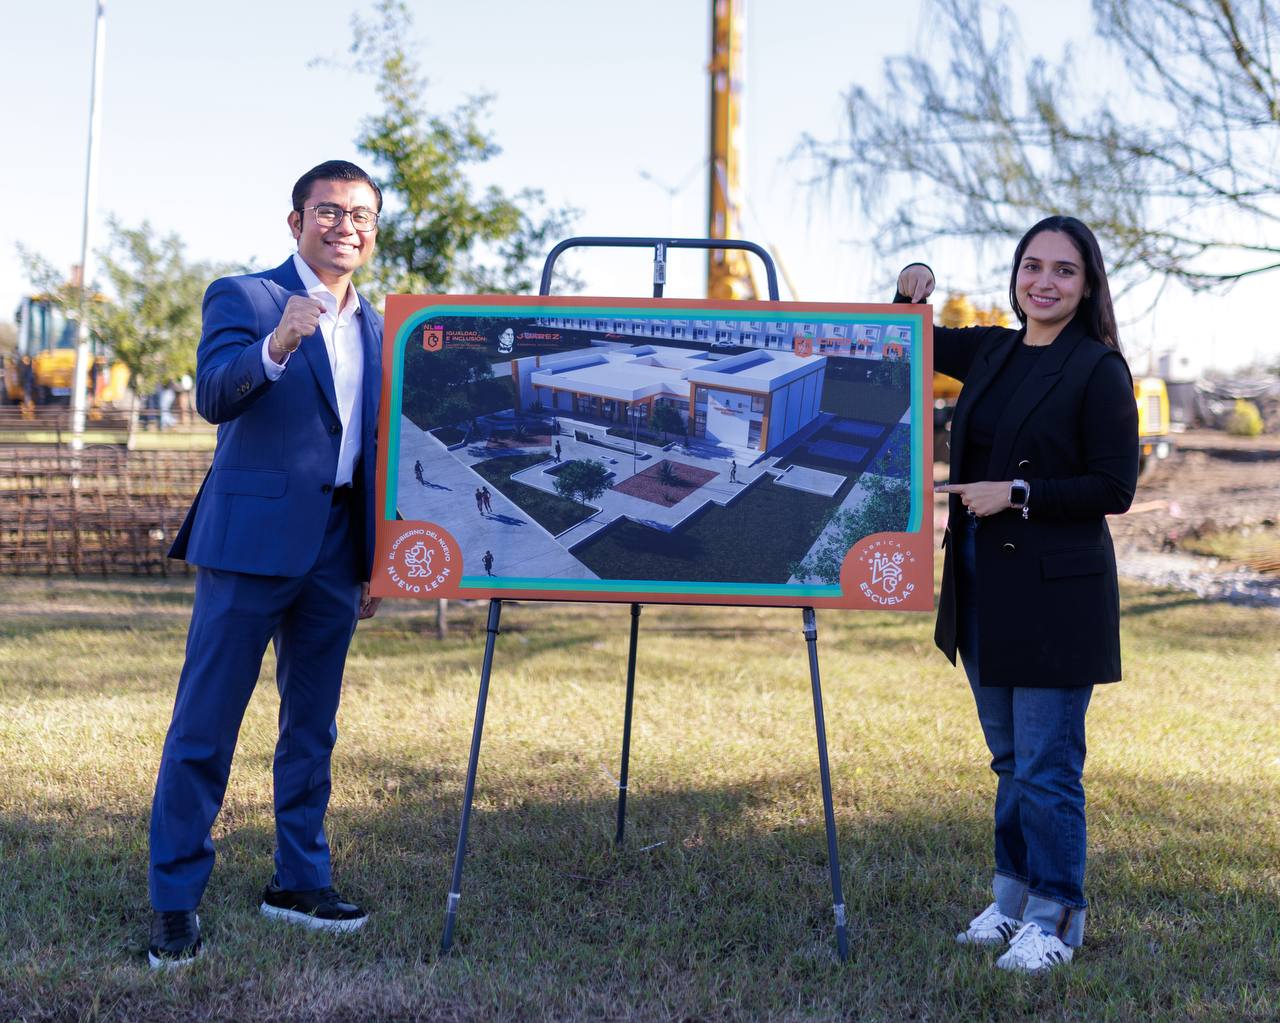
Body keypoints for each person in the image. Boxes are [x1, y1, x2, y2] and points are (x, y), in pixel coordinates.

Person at [147, 160, 386, 969]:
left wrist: (373, 558)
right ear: (296, 222)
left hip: (336, 548)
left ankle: (299, 880)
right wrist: (277, 344)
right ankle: (174, 899)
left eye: (360, 214)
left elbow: (373, 445)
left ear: (373, 231)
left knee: (312, 727)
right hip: (248, 546)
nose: (345, 226)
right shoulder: (244, 297)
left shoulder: (381, 327)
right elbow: (214, 395)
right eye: (329, 211)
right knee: (204, 726)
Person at [895, 216, 1138, 974]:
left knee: (1046, 767)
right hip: (980, 581)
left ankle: (1056, 917)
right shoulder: (993, 351)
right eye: (1033, 266)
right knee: (1009, 760)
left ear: (1087, 285)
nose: (1044, 281)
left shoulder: (1098, 368)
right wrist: (909, 295)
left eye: (1064, 270)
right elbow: (910, 346)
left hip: (1056, 595)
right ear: (1015, 275)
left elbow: (1115, 486)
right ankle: (1011, 903)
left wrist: (1018, 492)